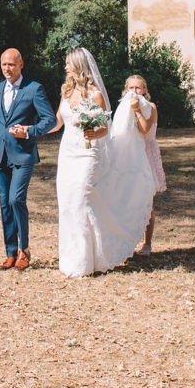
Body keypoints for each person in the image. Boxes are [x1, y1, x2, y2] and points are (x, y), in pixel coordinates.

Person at [54, 48, 155, 278]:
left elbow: (104, 129)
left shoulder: (95, 94)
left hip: (87, 155)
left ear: (79, 66)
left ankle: (90, 260)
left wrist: (92, 133)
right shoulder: (66, 92)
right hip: (67, 153)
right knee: (68, 202)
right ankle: (72, 260)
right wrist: (30, 130)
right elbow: (57, 122)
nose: (65, 67)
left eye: (68, 64)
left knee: (81, 200)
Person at [0, 48, 57, 271]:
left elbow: (49, 120)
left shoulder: (34, 89)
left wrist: (29, 131)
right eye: (3, 64)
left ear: (21, 65)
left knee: (16, 200)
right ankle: (10, 252)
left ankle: (25, 250)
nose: (6, 69)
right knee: (4, 204)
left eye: (11, 64)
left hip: (23, 155)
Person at [122, 75, 166, 256]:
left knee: (147, 202)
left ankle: (147, 243)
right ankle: (128, 241)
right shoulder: (124, 108)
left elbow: (144, 129)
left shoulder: (151, 107)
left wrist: (137, 110)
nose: (134, 91)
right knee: (128, 201)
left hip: (146, 155)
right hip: (130, 157)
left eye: (138, 88)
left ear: (144, 90)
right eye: (131, 88)